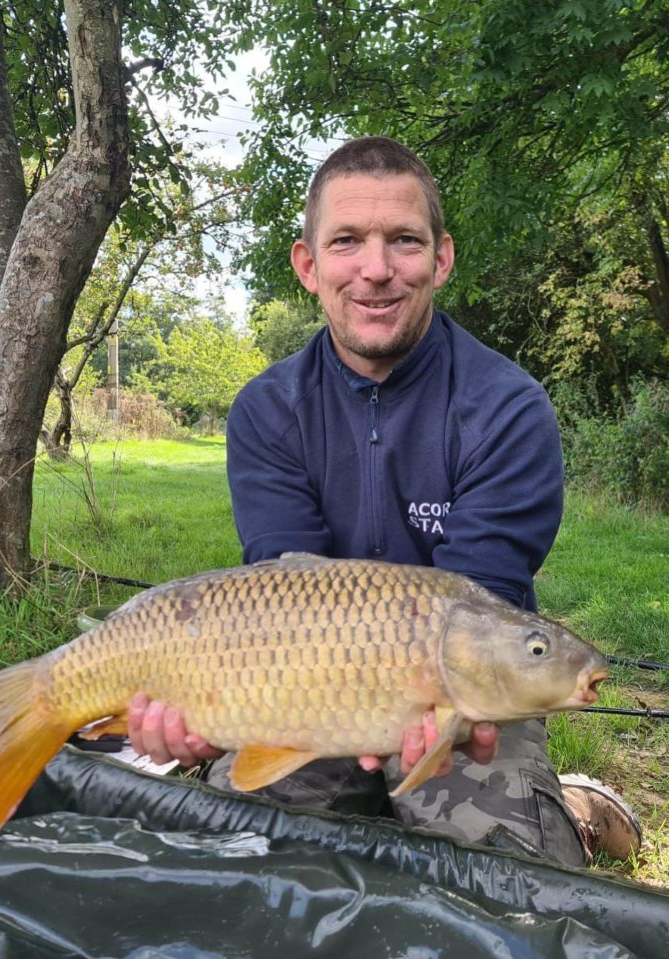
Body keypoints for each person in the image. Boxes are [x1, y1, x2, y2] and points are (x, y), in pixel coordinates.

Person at [129, 136, 640, 867]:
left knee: (515, 882)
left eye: (404, 240)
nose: (376, 269)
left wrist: (436, 712)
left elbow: (480, 614)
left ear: (442, 258)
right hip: (304, 684)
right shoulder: (267, 410)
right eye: (347, 242)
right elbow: (280, 591)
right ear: (308, 265)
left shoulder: (507, 408)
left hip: (463, 694)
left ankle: (573, 812)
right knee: (233, 870)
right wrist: (218, 706)